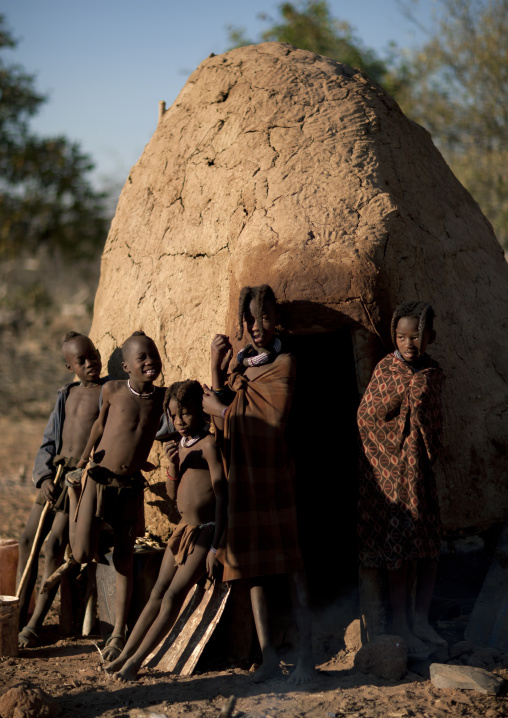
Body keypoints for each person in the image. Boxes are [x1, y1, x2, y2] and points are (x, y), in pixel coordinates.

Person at [202, 284, 315, 685]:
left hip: (273, 476)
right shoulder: (239, 366)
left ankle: (306, 660)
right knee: (253, 569)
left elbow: (269, 422)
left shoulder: (284, 363)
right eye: (250, 319)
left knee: (291, 566)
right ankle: (268, 659)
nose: (258, 326)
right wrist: (216, 369)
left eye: (265, 317)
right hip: (243, 481)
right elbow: (222, 424)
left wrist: (218, 406)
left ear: (276, 318)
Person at [105, 379, 227, 681]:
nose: (180, 421)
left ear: (200, 411)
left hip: (205, 532)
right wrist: (172, 466)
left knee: (173, 596)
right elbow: (173, 496)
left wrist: (217, 546)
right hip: (182, 531)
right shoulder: (179, 447)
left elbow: (224, 497)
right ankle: (125, 655)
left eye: (185, 413)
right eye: (174, 416)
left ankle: (137, 661)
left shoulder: (209, 445)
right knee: (157, 592)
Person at [68, 330, 166, 661]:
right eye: (142, 358)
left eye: (154, 354)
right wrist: (82, 463)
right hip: (99, 477)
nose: (150, 361)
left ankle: (119, 632)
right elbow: (99, 427)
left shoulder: (163, 399)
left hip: (129, 485)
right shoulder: (112, 390)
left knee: (124, 556)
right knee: (82, 552)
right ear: (126, 366)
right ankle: (73, 498)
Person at [357, 300, 445, 659]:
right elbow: (366, 416)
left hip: (420, 474)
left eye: (416, 336)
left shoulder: (433, 373)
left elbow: (435, 421)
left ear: (430, 338)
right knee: (398, 550)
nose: (408, 343)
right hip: (392, 476)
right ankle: (402, 625)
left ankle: (421, 619)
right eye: (401, 336)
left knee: (426, 546)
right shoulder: (386, 370)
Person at [17, 332, 105, 647]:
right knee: (28, 539)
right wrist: (42, 479)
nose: (90, 363)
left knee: (54, 545)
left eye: (92, 355)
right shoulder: (66, 394)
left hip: (77, 482)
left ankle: (35, 624)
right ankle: (17, 613)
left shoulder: (109, 393)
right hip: (54, 476)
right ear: (69, 367)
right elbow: (48, 442)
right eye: (81, 360)